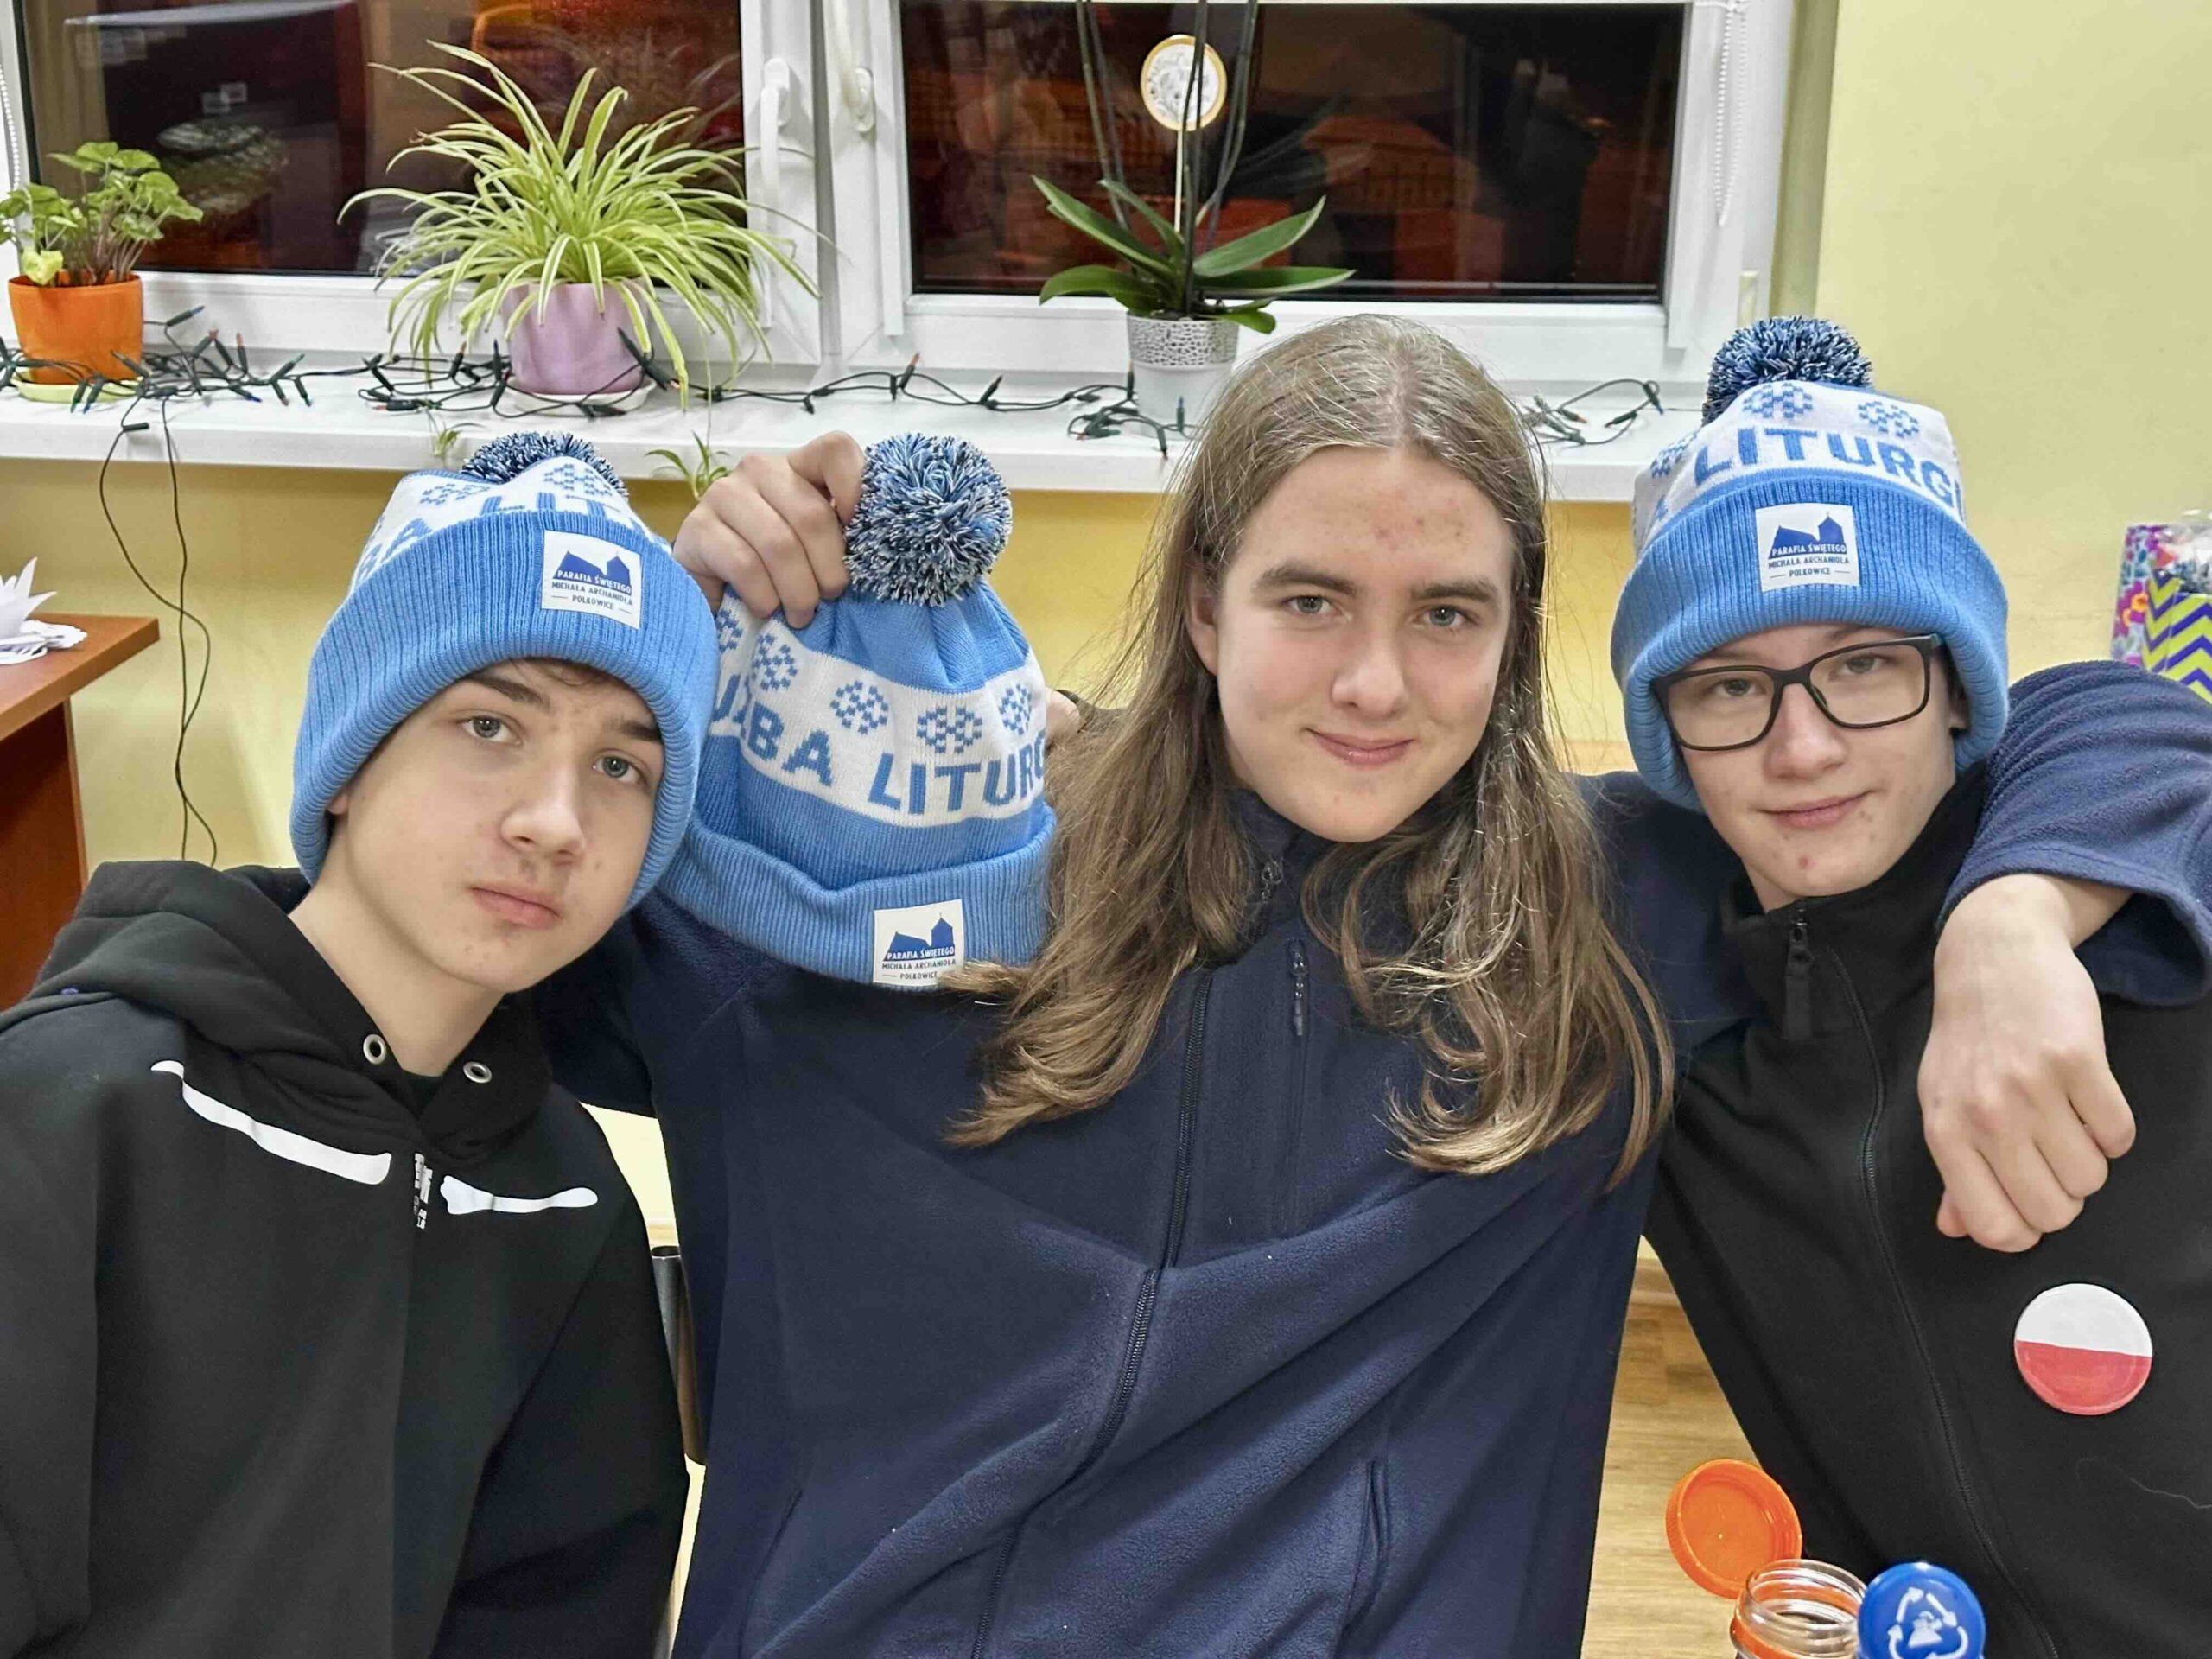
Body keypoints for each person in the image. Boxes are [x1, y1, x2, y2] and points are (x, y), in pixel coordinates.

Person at [543, 318, 2212, 1658]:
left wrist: (2014, 917)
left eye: (1447, 615)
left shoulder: (1618, 911)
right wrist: (672, 667)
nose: (1373, 683)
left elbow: (2098, 718)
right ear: (1206, 607)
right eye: (1311, 601)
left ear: (1515, 639)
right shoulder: (929, 876)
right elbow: (492, 929)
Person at [0, 434, 715, 1659]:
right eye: (489, 725)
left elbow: (568, 1612)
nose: (556, 821)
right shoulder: (74, 1113)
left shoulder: (562, 1196)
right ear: (347, 762)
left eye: (620, 765)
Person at [1615, 320, 2212, 1656]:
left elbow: (2140, 717)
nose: (1803, 747)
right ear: (1670, 736)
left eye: (1865, 665)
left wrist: (2013, 918)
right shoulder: (1664, 996)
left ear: (1956, 686)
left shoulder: (2139, 912)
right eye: (1729, 686)